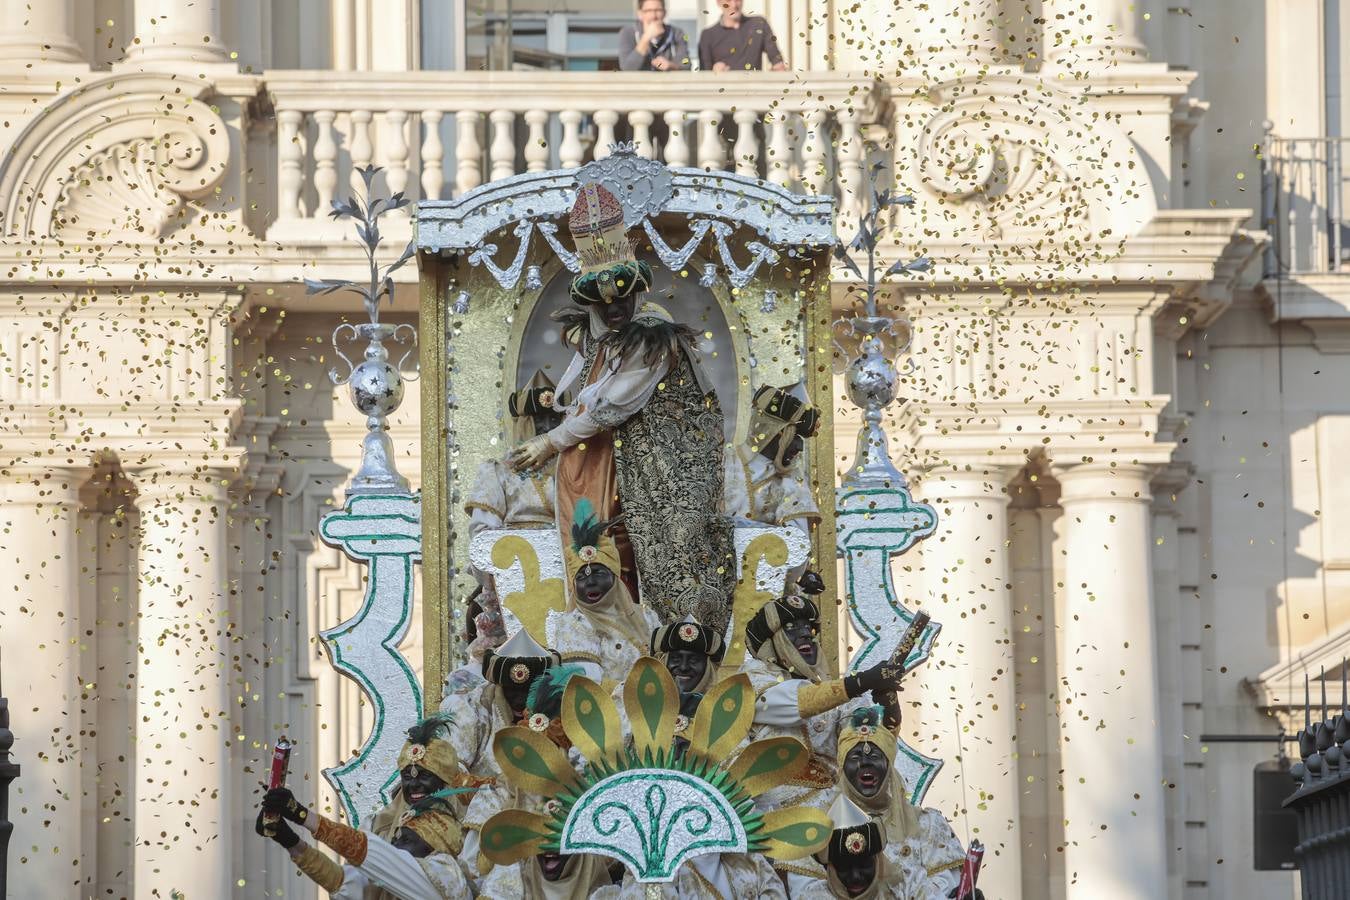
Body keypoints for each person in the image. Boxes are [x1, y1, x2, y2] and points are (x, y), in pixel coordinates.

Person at [507, 181, 733, 629]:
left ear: (635, 294)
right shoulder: (600, 342)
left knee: (665, 563)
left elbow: (613, 404)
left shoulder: (652, 339)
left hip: (660, 480)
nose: (614, 310)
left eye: (621, 298)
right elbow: (589, 388)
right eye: (603, 303)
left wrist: (551, 441)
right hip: (609, 469)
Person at [256, 714, 479, 899]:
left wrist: (301, 814)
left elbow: (380, 857)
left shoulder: (454, 858)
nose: (414, 784)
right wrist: (289, 840)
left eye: (426, 775)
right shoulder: (381, 825)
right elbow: (350, 887)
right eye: (407, 776)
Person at [741, 593, 907, 813]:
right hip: (772, 815)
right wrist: (861, 681)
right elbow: (795, 703)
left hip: (832, 810)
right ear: (771, 644)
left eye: (808, 630)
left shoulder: (837, 694)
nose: (805, 635)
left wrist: (890, 708)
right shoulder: (752, 678)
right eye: (791, 629)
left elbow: (866, 741)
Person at [464, 370, 566, 658]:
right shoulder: (497, 470)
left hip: (567, 571)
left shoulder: (575, 470)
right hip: (515, 572)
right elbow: (482, 532)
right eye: (539, 418)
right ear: (522, 423)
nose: (546, 427)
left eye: (554, 419)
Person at [836, 707, 981, 900]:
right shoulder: (826, 827)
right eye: (855, 757)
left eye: (874, 756)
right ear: (843, 769)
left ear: (888, 767)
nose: (865, 763)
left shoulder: (928, 825)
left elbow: (946, 888)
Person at [546, 498, 660, 684]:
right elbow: (586, 685)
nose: (590, 582)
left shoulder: (647, 616)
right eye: (581, 577)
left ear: (615, 577)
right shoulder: (574, 626)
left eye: (598, 573)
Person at [698, 0, 786, 72]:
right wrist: (715, 71)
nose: (734, 5)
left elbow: (776, 59)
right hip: (724, 90)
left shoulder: (759, 24)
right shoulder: (707, 35)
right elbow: (704, 73)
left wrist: (778, 69)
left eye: (737, 0)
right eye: (728, 1)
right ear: (718, 2)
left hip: (753, 90)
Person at [617, 0, 691, 72]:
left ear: (665, 13)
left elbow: (686, 63)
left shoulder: (676, 33)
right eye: (648, 11)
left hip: (667, 82)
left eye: (658, 10)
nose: (653, 16)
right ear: (640, 14)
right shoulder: (628, 33)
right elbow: (627, 68)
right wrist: (646, 38)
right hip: (638, 83)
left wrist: (671, 66)